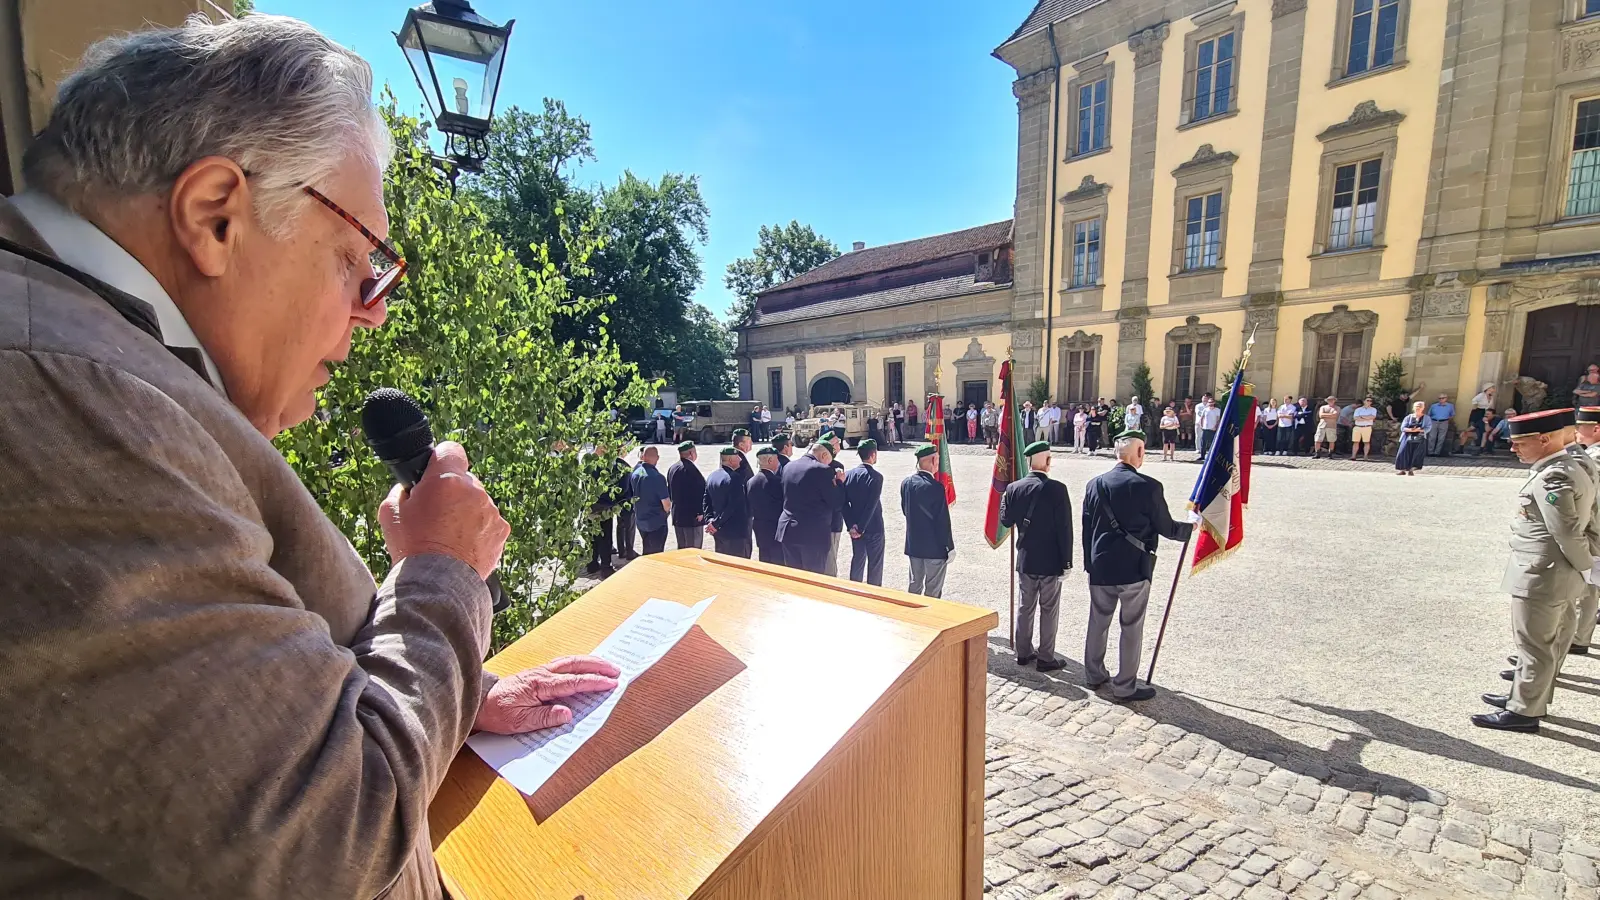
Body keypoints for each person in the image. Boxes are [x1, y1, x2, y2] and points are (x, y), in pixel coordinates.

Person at [0, 16, 633, 897]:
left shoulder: (96, 357)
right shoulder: (55, 391)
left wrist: (446, 694)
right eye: (358, 258)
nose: (373, 309)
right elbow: (330, 834)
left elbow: (237, 712)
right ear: (215, 215)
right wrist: (442, 574)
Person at [1475, 408, 1593, 732]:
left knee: (1534, 643)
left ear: (1543, 439)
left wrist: (1587, 567)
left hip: (1544, 573)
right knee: (1550, 640)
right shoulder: (1572, 465)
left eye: (1519, 443)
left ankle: (1524, 711)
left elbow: (1566, 531)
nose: (1513, 449)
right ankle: (1528, 696)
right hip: (1557, 571)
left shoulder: (1555, 475)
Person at [1081, 430, 1194, 703]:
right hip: (1134, 567)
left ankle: (1094, 674)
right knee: (1131, 626)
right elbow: (1166, 527)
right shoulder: (1148, 486)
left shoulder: (1094, 484)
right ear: (1140, 452)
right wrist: (1192, 528)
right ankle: (1124, 686)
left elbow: (1086, 528)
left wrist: (1089, 563)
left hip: (1101, 565)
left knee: (1098, 621)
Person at [1000, 441, 1073, 671]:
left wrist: (1006, 496)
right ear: (1048, 461)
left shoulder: (1013, 488)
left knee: (1025, 607)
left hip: (1026, 558)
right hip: (1051, 560)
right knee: (1049, 609)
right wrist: (1067, 562)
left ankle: (1022, 652)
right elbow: (1065, 529)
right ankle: (1045, 657)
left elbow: (1005, 520)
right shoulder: (1058, 489)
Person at [777, 439, 844, 573]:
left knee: (794, 577)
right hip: (812, 535)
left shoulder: (788, 467)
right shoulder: (822, 470)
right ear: (824, 456)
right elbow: (836, 503)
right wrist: (840, 482)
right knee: (813, 579)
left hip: (788, 530)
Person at [902, 445, 955, 597]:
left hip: (914, 545)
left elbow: (905, 511)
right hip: (934, 548)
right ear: (933, 460)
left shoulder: (906, 483)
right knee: (933, 591)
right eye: (937, 459)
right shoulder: (936, 487)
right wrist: (949, 546)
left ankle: (911, 619)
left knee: (914, 587)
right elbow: (942, 521)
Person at [1570, 407, 1600, 655]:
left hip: (1592, 528)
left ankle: (1577, 637)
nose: (1577, 432)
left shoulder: (1595, 458)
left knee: (1587, 584)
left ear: (1596, 429)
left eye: (1580, 427)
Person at [844, 439, 887, 585]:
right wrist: (861, 527)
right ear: (873, 455)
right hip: (872, 526)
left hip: (855, 525)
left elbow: (844, 504)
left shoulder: (848, 475)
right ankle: (874, 595)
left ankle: (853, 590)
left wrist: (851, 525)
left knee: (858, 559)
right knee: (875, 564)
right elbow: (871, 505)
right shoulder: (876, 477)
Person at [703, 447, 752, 558]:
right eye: (737, 457)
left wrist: (710, 521)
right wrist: (716, 523)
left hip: (718, 532)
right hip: (734, 533)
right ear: (730, 460)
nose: (740, 460)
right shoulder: (734, 478)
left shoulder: (712, 476)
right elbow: (732, 506)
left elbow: (706, 501)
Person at [629, 446, 671, 555]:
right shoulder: (657, 477)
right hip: (656, 522)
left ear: (643, 457)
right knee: (656, 554)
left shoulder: (635, 473)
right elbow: (666, 505)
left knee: (647, 550)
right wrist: (667, 512)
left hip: (641, 520)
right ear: (656, 458)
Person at [747, 447, 785, 564]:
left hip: (760, 529)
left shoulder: (751, 481)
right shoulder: (776, 482)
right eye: (777, 460)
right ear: (770, 461)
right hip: (775, 531)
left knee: (764, 561)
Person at [667, 441, 706, 549]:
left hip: (678, 516)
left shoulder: (673, 468)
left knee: (682, 548)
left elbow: (670, 492)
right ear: (691, 453)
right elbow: (699, 492)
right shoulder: (691, 470)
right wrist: (700, 512)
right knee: (693, 549)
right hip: (692, 518)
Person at [824, 433, 848, 576]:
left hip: (829, 520)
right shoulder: (834, 467)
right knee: (830, 561)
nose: (839, 446)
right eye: (836, 443)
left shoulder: (837, 465)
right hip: (831, 520)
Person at [614, 446, 638, 560]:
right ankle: (629, 551)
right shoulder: (624, 466)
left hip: (617, 502)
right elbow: (624, 486)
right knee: (629, 528)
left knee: (620, 527)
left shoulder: (613, 464)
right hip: (626, 500)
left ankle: (621, 550)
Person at [1395, 401, 1431, 475]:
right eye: (1417, 406)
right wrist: (1411, 430)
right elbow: (1403, 428)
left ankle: (1411, 470)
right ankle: (1402, 470)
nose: (1418, 408)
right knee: (1403, 453)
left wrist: (1419, 430)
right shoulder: (1408, 417)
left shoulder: (1426, 418)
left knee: (1415, 454)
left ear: (1423, 408)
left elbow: (1428, 428)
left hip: (1419, 438)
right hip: (1407, 438)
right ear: (1413, 408)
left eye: (1420, 406)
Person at [1469, 383, 1497, 448]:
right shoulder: (1481, 395)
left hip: (1485, 412)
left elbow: (1490, 406)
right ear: (1488, 388)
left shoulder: (1491, 397)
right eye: (1492, 388)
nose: (1493, 389)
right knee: (1475, 426)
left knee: (1483, 426)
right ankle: (1475, 441)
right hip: (1478, 412)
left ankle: (1482, 442)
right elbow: (1474, 401)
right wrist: (1477, 406)